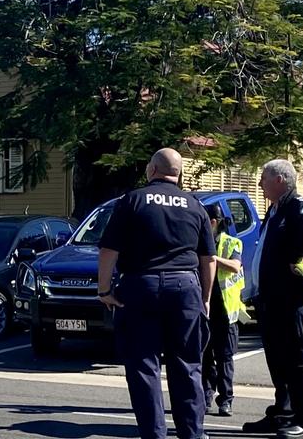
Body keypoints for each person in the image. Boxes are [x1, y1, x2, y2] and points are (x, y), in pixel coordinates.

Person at [97, 148, 216, 439]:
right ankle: (192, 433)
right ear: (180, 173)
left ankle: (154, 434)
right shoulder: (194, 204)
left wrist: (104, 290)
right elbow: (209, 259)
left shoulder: (133, 200)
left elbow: (108, 250)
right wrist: (206, 299)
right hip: (185, 287)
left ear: (151, 170)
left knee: (143, 365)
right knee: (187, 364)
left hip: (141, 286)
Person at [243, 159, 303, 439]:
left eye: (263, 178)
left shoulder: (299, 206)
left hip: (291, 299)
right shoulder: (274, 210)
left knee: (297, 358)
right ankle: (283, 412)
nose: (260, 183)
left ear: (280, 180)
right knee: (277, 359)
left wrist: (293, 256)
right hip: (269, 298)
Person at [204, 203, 246, 417]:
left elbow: (235, 266)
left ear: (213, 222)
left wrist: (210, 259)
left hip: (226, 312)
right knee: (205, 357)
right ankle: (205, 398)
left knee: (225, 358)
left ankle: (225, 400)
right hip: (205, 309)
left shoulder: (232, 243)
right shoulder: (199, 243)